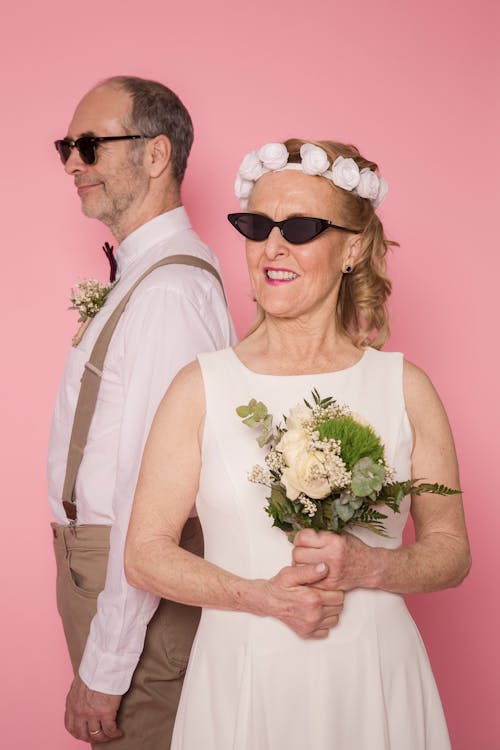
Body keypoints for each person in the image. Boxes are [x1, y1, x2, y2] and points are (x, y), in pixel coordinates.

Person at [125, 138, 471, 749]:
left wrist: (372, 564)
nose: (272, 248)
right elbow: (145, 553)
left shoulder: (404, 387)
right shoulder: (199, 386)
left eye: (301, 227)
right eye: (257, 227)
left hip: (371, 673)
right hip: (243, 673)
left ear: (353, 248)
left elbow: (451, 551)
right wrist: (259, 597)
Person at [48, 75, 235, 748]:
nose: (72, 162)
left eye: (91, 145)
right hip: (102, 572)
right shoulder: (148, 280)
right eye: (68, 145)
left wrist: (106, 666)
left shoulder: (167, 295)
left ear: (155, 156)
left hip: (129, 583)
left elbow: (148, 498)